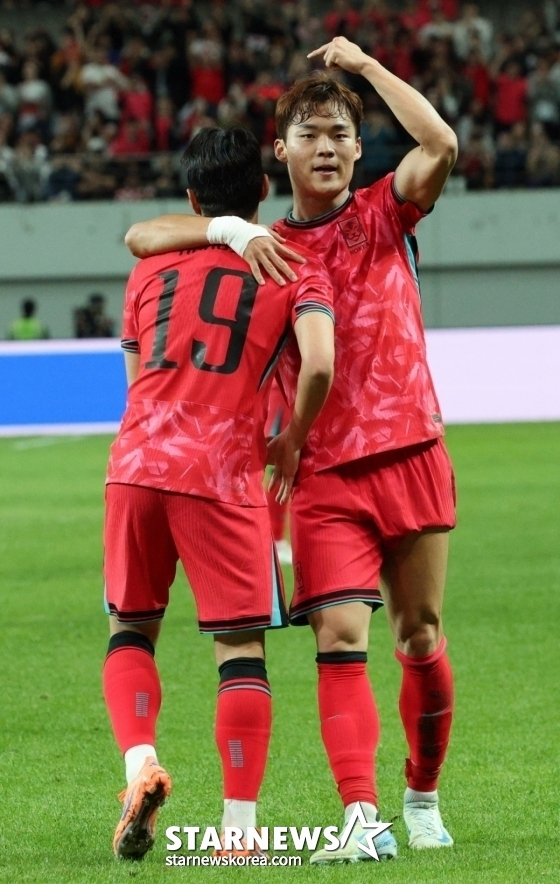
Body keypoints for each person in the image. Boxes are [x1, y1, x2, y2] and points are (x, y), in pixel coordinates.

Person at [124, 37, 459, 862]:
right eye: (311, 132)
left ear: (357, 147)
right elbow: (144, 233)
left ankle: (422, 794)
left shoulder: (388, 210)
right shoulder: (263, 247)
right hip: (314, 473)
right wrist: (230, 228)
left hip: (410, 447)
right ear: (281, 150)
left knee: (419, 634)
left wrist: (369, 71)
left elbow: (442, 144)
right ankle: (362, 816)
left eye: (342, 133)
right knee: (339, 636)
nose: (330, 146)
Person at [103, 126, 335, 861]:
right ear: (264, 191)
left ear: (193, 198)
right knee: (240, 650)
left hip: (136, 465)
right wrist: (293, 436)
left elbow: (137, 379)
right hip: (222, 474)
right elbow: (322, 366)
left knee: (131, 631)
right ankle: (238, 832)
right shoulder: (292, 268)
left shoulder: (150, 269)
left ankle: (141, 765)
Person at [265, 379, 292, 565]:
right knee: (279, 462)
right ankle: (274, 537)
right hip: (283, 390)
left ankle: (275, 537)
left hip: (290, 388)